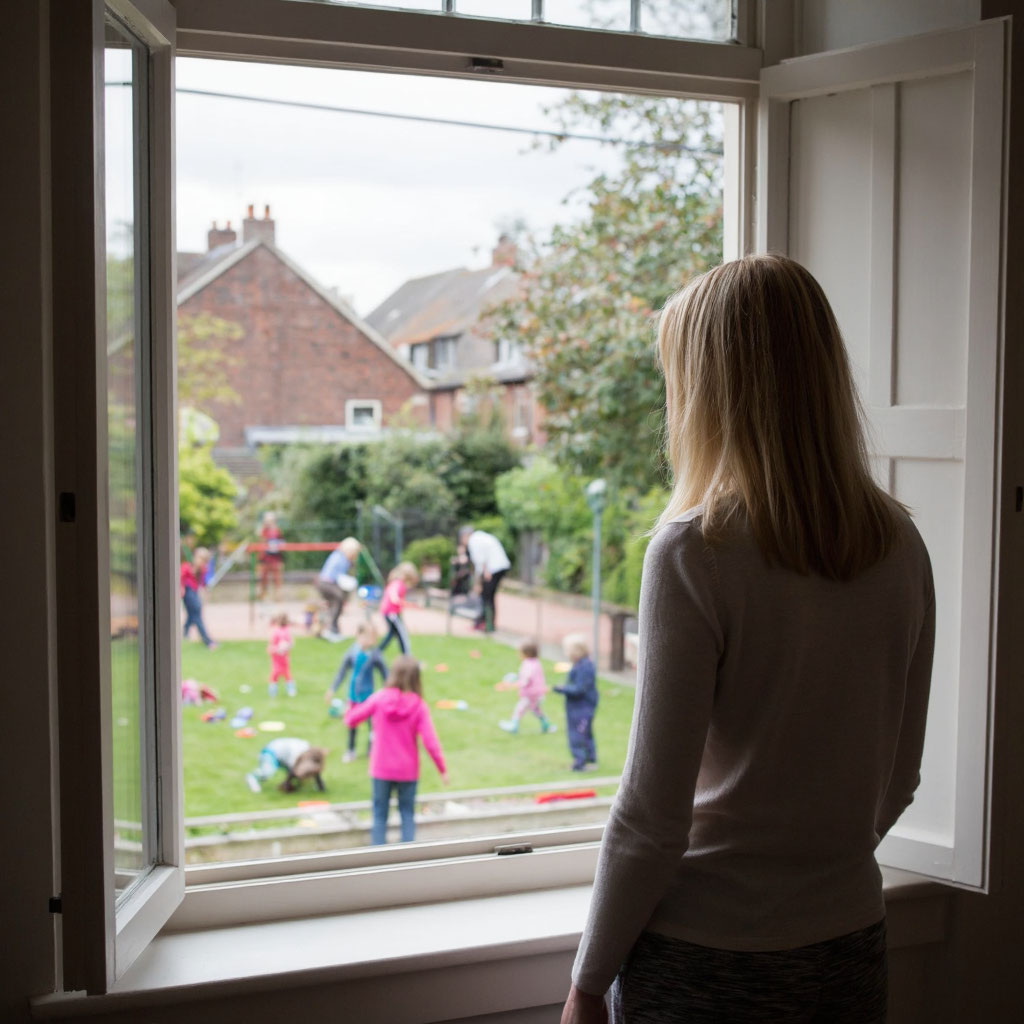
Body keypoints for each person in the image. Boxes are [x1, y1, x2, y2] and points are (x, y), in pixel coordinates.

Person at [560, 254, 935, 1024]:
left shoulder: (694, 551)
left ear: (708, 392)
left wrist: (587, 984)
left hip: (704, 963)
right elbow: (899, 779)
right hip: (848, 949)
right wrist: (813, 875)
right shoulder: (901, 544)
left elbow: (651, 817)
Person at [344, 654, 448, 844]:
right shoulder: (418, 705)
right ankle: (408, 857)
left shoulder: (379, 698)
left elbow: (351, 720)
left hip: (381, 768)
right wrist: (442, 769)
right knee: (407, 814)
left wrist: (351, 703)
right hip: (407, 770)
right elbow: (430, 742)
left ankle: (378, 857)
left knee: (379, 816)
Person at [325, 622, 388, 762]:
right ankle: (351, 750)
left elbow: (385, 673)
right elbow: (342, 672)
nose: (369, 641)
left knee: (373, 725)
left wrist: (389, 690)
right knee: (352, 723)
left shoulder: (375, 654)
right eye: (366, 637)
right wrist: (332, 689)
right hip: (353, 695)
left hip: (369, 697)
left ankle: (372, 750)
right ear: (358, 636)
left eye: (372, 638)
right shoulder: (352, 652)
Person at [553, 634, 598, 771]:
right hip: (577, 707)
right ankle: (589, 760)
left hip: (582, 707)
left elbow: (580, 689)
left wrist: (562, 689)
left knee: (579, 735)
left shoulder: (585, 667)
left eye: (568, 651)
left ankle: (581, 762)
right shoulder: (581, 665)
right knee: (585, 733)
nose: (566, 654)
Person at [459, 524, 511, 632]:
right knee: (488, 595)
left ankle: (487, 623)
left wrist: (479, 582)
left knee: (487, 596)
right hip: (498, 567)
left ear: (465, 536)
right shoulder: (479, 537)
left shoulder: (473, 541)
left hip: (493, 569)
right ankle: (487, 622)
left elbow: (480, 562)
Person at [499, 639, 555, 735]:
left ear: (526, 653)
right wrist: (518, 677)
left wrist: (512, 685)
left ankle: (514, 725)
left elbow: (526, 680)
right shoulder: (536, 662)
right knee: (536, 709)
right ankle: (546, 725)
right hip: (538, 692)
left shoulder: (528, 664)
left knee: (520, 709)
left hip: (530, 694)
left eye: (520, 652)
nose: (518, 654)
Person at [316, 537, 362, 641]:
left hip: (326, 583)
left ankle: (332, 629)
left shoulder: (338, 556)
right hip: (327, 583)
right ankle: (331, 629)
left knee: (336, 604)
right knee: (338, 602)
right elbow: (339, 577)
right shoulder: (341, 558)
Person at [245, 737, 327, 794]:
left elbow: (315, 769)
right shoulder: (295, 756)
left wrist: (321, 786)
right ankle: (252, 777)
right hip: (272, 752)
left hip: (284, 753)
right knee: (267, 773)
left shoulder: (310, 755)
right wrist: (287, 783)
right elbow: (293, 772)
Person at [379, 561, 419, 655]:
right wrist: (409, 604)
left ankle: (377, 653)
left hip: (389, 613)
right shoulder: (398, 583)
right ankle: (407, 656)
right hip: (391, 613)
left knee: (392, 633)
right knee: (403, 634)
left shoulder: (395, 583)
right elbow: (394, 598)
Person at [181, 547, 216, 649]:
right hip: (188, 592)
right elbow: (180, 578)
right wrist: (181, 588)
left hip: (194, 592)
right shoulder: (186, 567)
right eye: (200, 559)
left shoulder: (202, 570)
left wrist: (206, 591)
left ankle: (185, 634)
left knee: (192, 615)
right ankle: (207, 641)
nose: (202, 562)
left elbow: (203, 583)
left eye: (204, 561)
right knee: (197, 615)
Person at [258, 511, 285, 601]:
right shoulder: (264, 531)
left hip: (276, 558)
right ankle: (264, 597)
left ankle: (278, 597)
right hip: (265, 558)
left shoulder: (278, 531)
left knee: (277, 579)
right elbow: (262, 543)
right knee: (263, 579)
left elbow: (282, 543)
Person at [267, 611, 296, 698]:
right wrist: (276, 649)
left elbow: (291, 643)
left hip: (283, 658)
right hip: (277, 658)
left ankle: (290, 690)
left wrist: (286, 647)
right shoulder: (276, 631)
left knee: (285, 673)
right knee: (277, 674)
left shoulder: (286, 631)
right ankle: (273, 691)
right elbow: (271, 646)